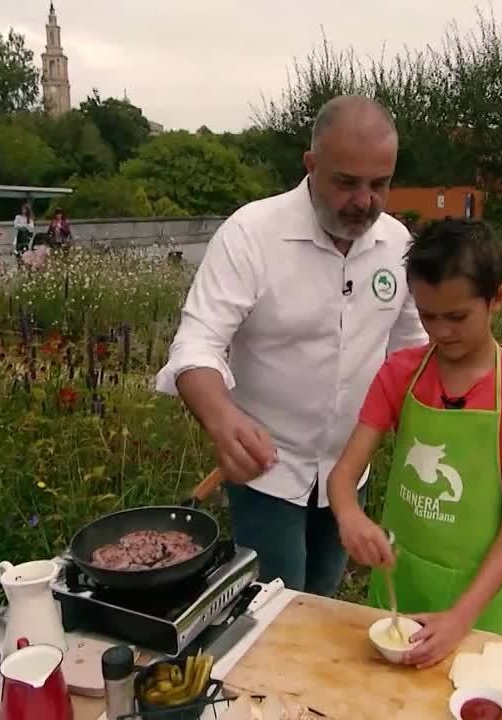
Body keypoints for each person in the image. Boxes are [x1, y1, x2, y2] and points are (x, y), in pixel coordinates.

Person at [155, 96, 429, 596]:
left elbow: (413, 352)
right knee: (272, 614)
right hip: (267, 472)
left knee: (321, 601)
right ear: (311, 164)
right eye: (346, 182)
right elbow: (197, 344)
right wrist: (221, 418)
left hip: (349, 473)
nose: (364, 201)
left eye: (379, 184)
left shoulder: (397, 244)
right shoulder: (251, 235)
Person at [327, 218, 502, 668]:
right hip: (401, 587)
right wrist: (350, 515)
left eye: (457, 317)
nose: (442, 331)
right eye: (427, 315)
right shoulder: (400, 373)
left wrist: (460, 618)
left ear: (497, 300)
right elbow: (343, 475)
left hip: (479, 604)